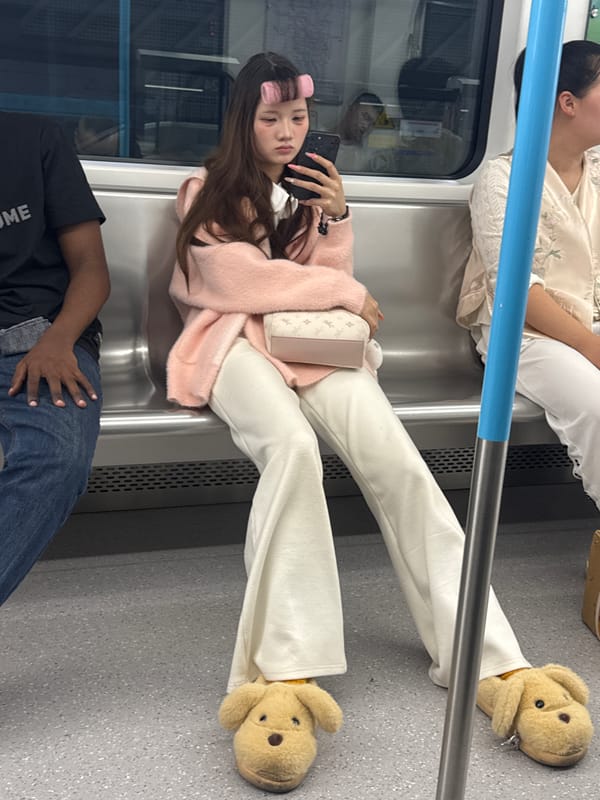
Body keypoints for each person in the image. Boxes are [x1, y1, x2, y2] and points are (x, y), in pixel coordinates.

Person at [167, 52, 592, 792]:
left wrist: (334, 219)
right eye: (271, 119)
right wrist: (338, 285)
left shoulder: (309, 193)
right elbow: (231, 281)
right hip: (233, 346)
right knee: (294, 451)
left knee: (400, 465)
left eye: (297, 118)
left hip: (310, 346)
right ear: (243, 122)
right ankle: (283, 674)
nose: (288, 133)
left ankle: (493, 661)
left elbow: (334, 286)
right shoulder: (202, 191)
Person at [457, 40, 600, 514]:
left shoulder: (598, 175)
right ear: (568, 102)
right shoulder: (502, 180)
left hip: (590, 321)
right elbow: (518, 290)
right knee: (597, 407)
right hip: (525, 333)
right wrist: (592, 347)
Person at [0, 111, 110, 605]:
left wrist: (59, 338)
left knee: (57, 457)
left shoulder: (34, 139)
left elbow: (91, 268)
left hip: (43, 334)